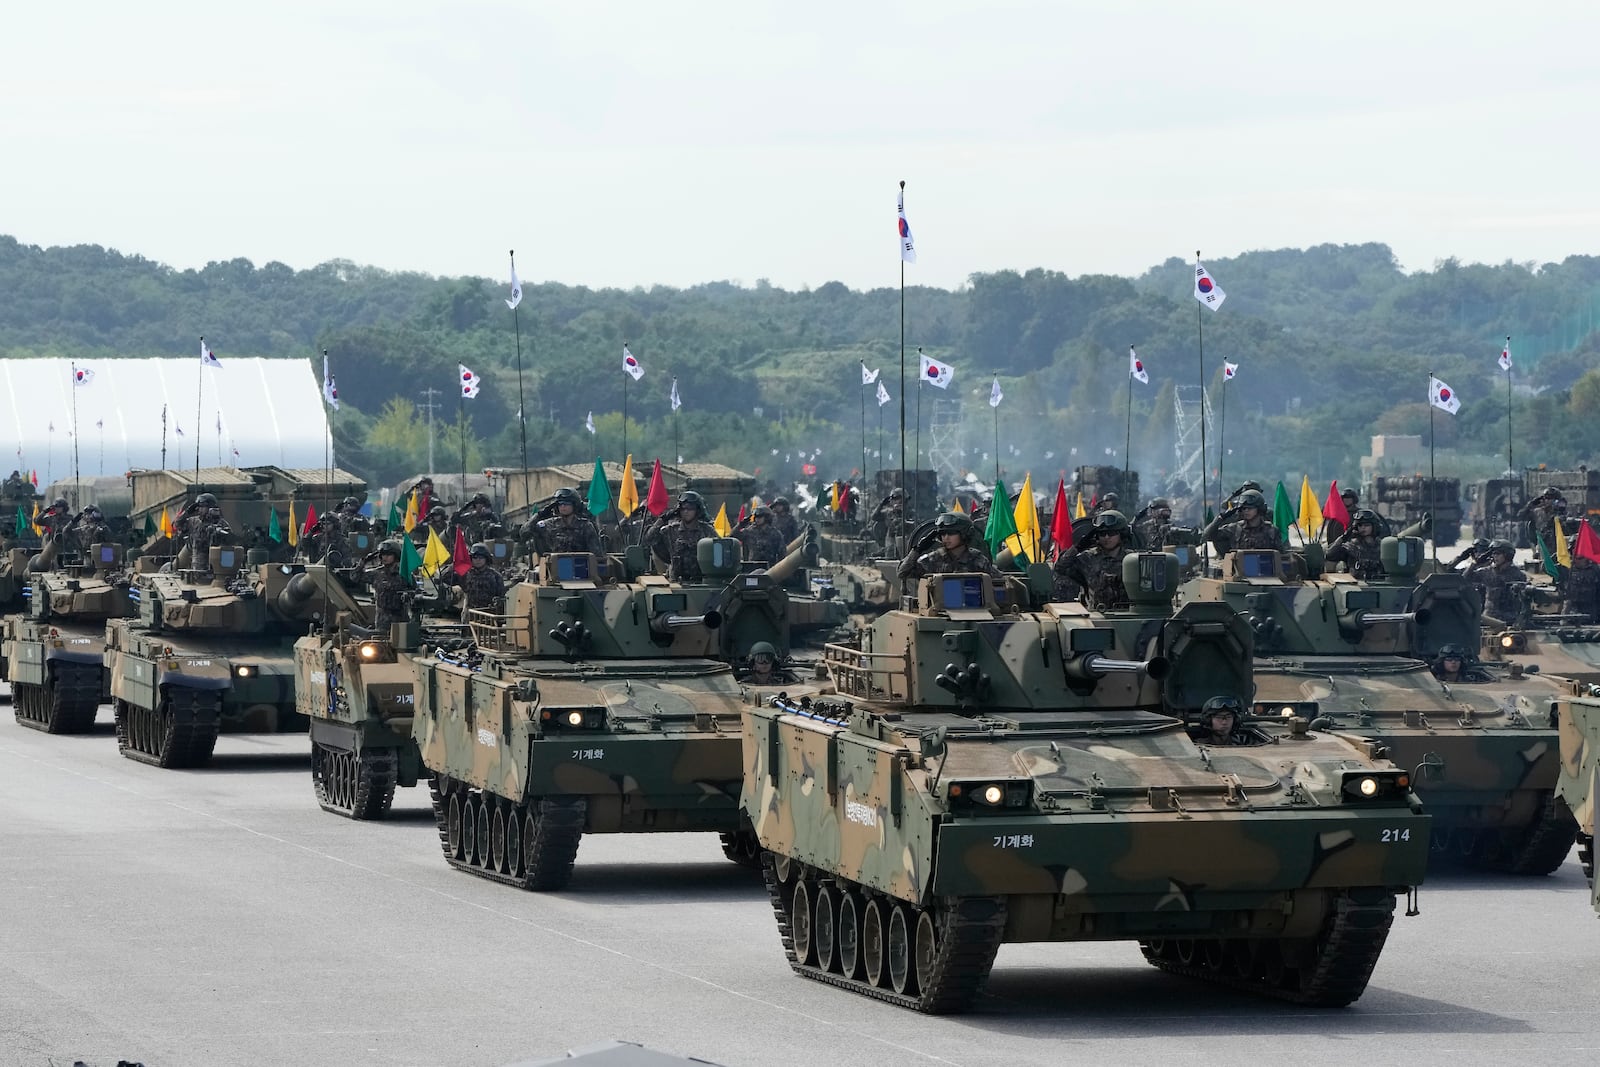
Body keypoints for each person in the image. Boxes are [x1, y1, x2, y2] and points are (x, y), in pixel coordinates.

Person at [1054, 510, 1133, 608]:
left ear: (1122, 534)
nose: (1106, 537)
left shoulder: (1131, 560)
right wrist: (1077, 548)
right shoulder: (1088, 558)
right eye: (1102, 534)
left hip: (1127, 616)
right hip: (1096, 617)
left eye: (1111, 533)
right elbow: (1060, 568)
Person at [897, 511, 999, 582]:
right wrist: (917, 549)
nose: (946, 537)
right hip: (937, 610)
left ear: (964, 534)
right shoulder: (933, 559)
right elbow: (902, 573)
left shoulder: (978, 560)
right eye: (943, 534)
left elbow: (998, 580)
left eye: (951, 533)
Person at [644, 491, 718, 582]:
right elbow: (649, 539)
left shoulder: (707, 530)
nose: (686, 511)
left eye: (690, 508)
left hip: (701, 581)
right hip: (677, 582)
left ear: (697, 510)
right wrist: (663, 519)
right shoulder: (670, 530)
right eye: (683, 509)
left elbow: (718, 550)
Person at [1203, 489, 1288, 553]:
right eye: (1243, 508)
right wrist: (1221, 517)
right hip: (1239, 572)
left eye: (1250, 508)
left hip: (1266, 572)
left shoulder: (1271, 531)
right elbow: (1207, 536)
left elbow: (1280, 556)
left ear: (1259, 508)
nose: (1246, 511)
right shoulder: (1235, 529)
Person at [532, 487, 603, 556]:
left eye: (566, 503)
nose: (563, 506)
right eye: (560, 504)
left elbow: (596, 554)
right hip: (555, 565)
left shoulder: (585, 526)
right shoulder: (550, 524)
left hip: (581, 565)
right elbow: (524, 534)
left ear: (574, 505)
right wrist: (540, 514)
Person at [1469, 539, 1525, 625]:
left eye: (1498, 554)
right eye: (1493, 554)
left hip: (1509, 620)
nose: (1495, 556)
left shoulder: (1517, 575)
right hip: (1488, 619)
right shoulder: (1486, 572)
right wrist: (1475, 562)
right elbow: (1464, 579)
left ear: (1507, 555)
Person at [365, 540, 414, 631]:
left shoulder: (404, 574)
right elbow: (354, 577)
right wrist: (364, 561)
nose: (385, 557)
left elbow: (415, 591)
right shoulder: (376, 573)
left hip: (400, 619)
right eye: (383, 554)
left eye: (388, 554)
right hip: (382, 621)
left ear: (396, 556)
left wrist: (408, 596)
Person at [1324, 509, 1386, 580]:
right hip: (1356, 586)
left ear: (1375, 526)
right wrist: (1345, 536)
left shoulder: (1383, 547)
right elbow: (1330, 555)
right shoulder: (1351, 546)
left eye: (1367, 525)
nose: (1363, 528)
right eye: (1360, 525)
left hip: (1379, 585)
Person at [450, 542, 506, 615]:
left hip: (489, 615)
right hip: (470, 615)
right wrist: (454, 565)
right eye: (475, 557)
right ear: (471, 558)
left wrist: (498, 602)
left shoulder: (495, 576)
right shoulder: (465, 574)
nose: (478, 560)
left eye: (481, 557)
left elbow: (501, 597)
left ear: (486, 558)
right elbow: (445, 578)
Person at [1564, 546, 1600, 623]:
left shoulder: (1595, 570)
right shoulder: (1570, 570)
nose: (1577, 561)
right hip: (1574, 610)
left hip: (1592, 610)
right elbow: (1567, 595)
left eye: (1580, 558)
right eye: (1575, 558)